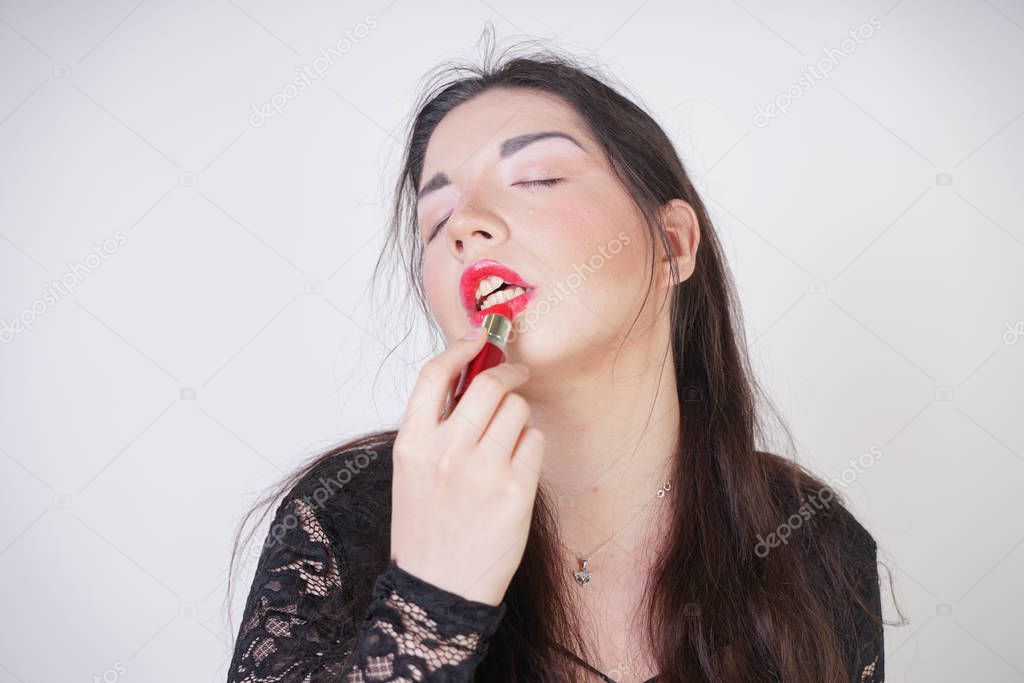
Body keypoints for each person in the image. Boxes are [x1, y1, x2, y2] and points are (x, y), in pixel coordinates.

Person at [224, 33, 894, 683]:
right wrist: (430, 596)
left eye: (537, 177)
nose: (465, 225)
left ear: (672, 243)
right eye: (436, 221)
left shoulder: (814, 547)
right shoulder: (343, 517)